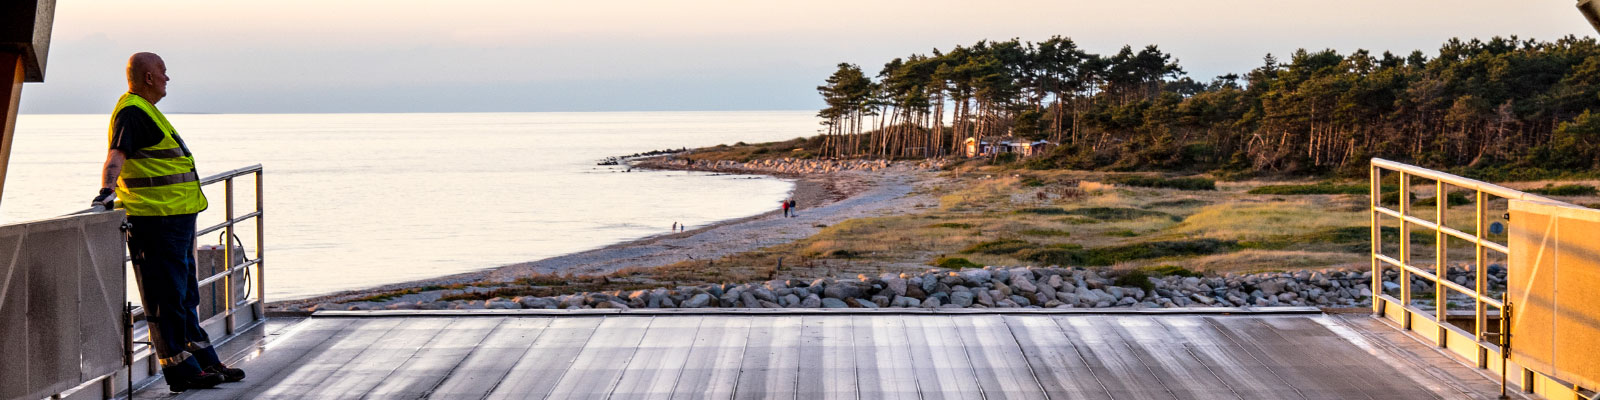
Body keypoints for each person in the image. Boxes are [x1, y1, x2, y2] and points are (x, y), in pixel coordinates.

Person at [91, 52, 244, 392]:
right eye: (162, 71)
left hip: (174, 218)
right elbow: (116, 155)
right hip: (154, 221)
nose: (167, 78)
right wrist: (105, 190)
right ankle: (180, 370)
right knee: (166, 297)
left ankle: (204, 359)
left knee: (185, 293)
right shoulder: (133, 113)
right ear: (147, 77)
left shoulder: (147, 111)